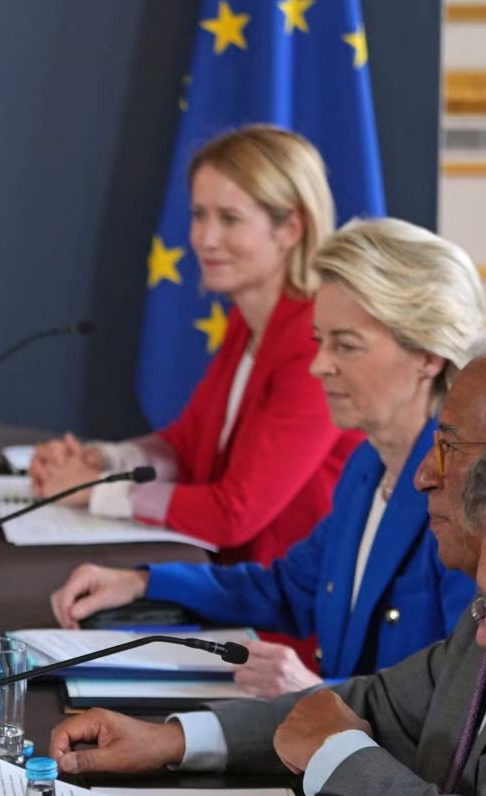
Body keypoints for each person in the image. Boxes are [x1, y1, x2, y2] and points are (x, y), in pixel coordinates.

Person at [47, 336, 486, 795]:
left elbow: (346, 729)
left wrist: (336, 751)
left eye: (450, 447)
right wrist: (175, 739)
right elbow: (381, 704)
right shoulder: (485, 607)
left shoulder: (479, 583)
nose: (423, 476)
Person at [48, 219, 484, 697]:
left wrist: (315, 693)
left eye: (346, 346)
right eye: (319, 342)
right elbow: (287, 590)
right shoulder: (366, 468)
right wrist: (144, 583)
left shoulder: (468, 505)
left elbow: (461, 700)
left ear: (427, 356)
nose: (319, 365)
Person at [30, 126, 360, 564]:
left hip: (281, 595)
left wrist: (98, 492)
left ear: (290, 228)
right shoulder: (249, 319)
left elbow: (234, 513)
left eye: (229, 219)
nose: (205, 238)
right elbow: (186, 447)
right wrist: (103, 462)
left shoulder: (314, 342)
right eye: (199, 215)